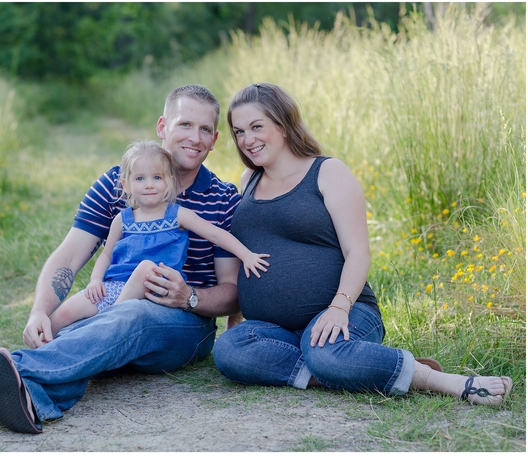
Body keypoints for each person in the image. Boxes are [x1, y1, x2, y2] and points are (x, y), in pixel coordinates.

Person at [0, 84, 246, 434]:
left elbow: (233, 291)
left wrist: (188, 296)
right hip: (115, 306)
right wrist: (39, 312)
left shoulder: (222, 199)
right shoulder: (118, 183)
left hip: (185, 327)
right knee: (104, 316)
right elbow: (70, 255)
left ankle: (14, 369)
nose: (194, 137)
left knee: (133, 313)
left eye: (204, 129)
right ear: (162, 127)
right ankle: (30, 396)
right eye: (185, 124)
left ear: (215, 139)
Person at [212, 83, 513, 407]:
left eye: (257, 127)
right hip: (276, 329)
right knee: (229, 349)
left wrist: (339, 307)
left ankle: (438, 380)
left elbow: (358, 251)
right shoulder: (249, 180)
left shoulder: (327, 172)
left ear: (283, 125)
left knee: (325, 352)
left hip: (347, 311)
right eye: (240, 131)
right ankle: (351, 368)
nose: (248, 140)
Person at [47, 139, 269, 336]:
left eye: (156, 177)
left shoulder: (177, 215)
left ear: (169, 182)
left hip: (156, 289)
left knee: (146, 268)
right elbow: (106, 255)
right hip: (115, 287)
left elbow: (216, 234)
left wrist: (246, 255)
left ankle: (108, 323)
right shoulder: (122, 219)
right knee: (65, 312)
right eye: (140, 178)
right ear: (127, 185)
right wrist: (96, 281)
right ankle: (42, 346)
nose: (149, 184)